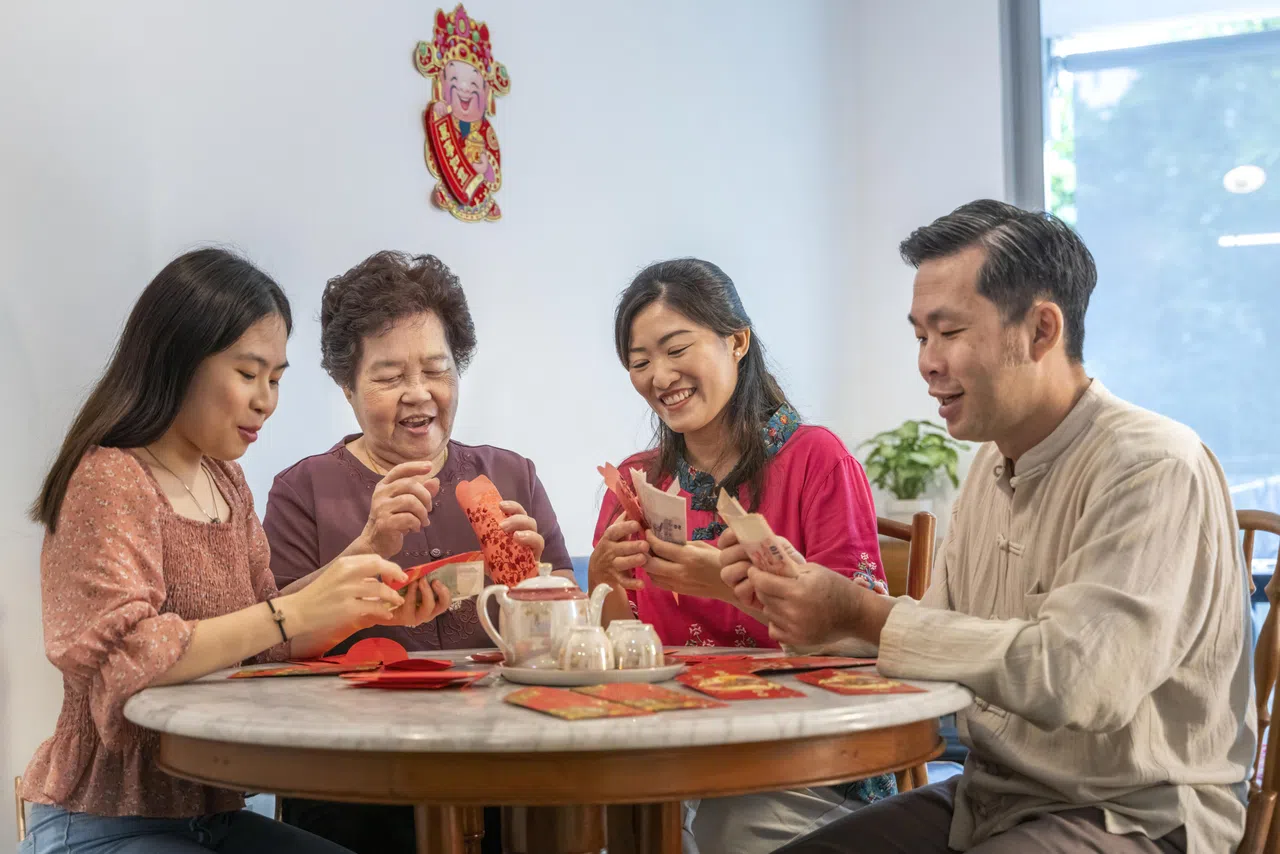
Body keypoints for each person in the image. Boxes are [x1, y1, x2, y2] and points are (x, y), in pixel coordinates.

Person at [727, 200, 1255, 854]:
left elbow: (1081, 681)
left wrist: (860, 613)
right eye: (919, 337)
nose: (927, 362)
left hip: (1133, 813)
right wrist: (807, 606)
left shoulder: (1152, 464)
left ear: (1040, 330)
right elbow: (938, 635)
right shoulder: (991, 461)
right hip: (993, 797)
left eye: (948, 331)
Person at [19, 249, 450, 854]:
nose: (266, 401)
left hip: (211, 816)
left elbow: (266, 636)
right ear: (178, 361)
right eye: (248, 374)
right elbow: (129, 657)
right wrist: (295, 610)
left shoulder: (225, 482)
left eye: (275, 379)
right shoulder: (110, 478)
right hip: (101, 820)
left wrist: (361, 591)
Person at [263, 250, 572, 854]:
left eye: (436, 369)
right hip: (355, 776)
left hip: (508, 760)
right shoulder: (303, 490)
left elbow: (571, 633)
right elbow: (272, 638)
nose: (419, 393)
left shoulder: (512, 476)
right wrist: (364, 549)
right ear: (347, 387)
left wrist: (539, 587)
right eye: (388, 377)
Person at [588, 258, 892, 854]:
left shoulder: (817, 460)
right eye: (640, 362)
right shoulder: (638, 481)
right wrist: (603, 582)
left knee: (726, 827)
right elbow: (616, 658)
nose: (660, 376)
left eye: (677, 349)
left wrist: (727, 586)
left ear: (737, 341)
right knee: (600, 816)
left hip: (799, 753)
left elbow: (861, 640)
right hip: (665, 749)